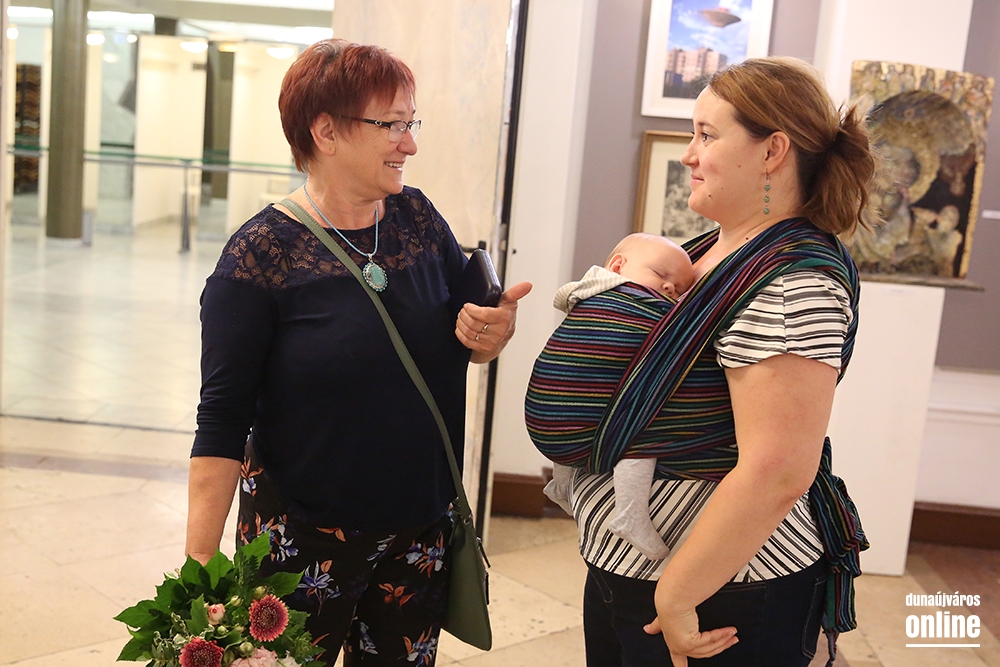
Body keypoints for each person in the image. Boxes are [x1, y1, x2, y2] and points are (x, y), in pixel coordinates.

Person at [185, 39, 531, 666]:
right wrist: (201, 563)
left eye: (411, 123)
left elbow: (464, 343)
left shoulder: (417, 219)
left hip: (420, 527)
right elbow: (222, 419)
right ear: (326, 132)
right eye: (392, 125)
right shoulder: (259, 257)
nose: (409, 144)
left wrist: (493, 333)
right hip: (301, 541)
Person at [560, 57, 877, 667]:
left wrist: (678, 595)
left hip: (721, 592)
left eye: (706, 135)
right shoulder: (709, 252)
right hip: (635, 570)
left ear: (772, 151)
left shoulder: (791, 285)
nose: (689, 155)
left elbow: (778, 470)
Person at [530, 233, 695, 559]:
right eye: (661, 275)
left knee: (573, 403)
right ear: (618, 267)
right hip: (581, 422)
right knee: (640, 430)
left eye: (679, 290)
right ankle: (630, 512)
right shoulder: (624, 301)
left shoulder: (586, 293)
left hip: (547, 423)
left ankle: (560, 483)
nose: (669, 289)